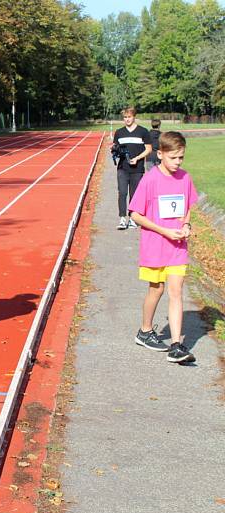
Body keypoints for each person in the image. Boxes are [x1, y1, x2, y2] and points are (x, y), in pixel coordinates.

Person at [129, 131, 197, 364]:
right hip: (155, 246)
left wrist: (186, 224)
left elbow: (187, 206)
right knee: (155, 290)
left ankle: (176, 345)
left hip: (177, 246)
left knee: (176, 292)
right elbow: (136, 214)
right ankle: (145, 331)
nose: (178, 162)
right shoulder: (150, 179)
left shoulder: (185, 178)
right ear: (160, 155)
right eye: (173, 158)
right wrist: (164, 230)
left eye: (181, 158)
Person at [113, 106, 152, 230]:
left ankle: (133, 219)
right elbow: (116, 148)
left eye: (129, 117)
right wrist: (114, 150)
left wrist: (137, 158)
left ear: (134, 117)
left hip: (137, 169)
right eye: (125, 117)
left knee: (134, 194)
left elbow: (149, 149)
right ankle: (122, 218)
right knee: (122, 192)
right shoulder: (119, 132)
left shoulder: (143, 131)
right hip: (122, 168)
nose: (127, 119)